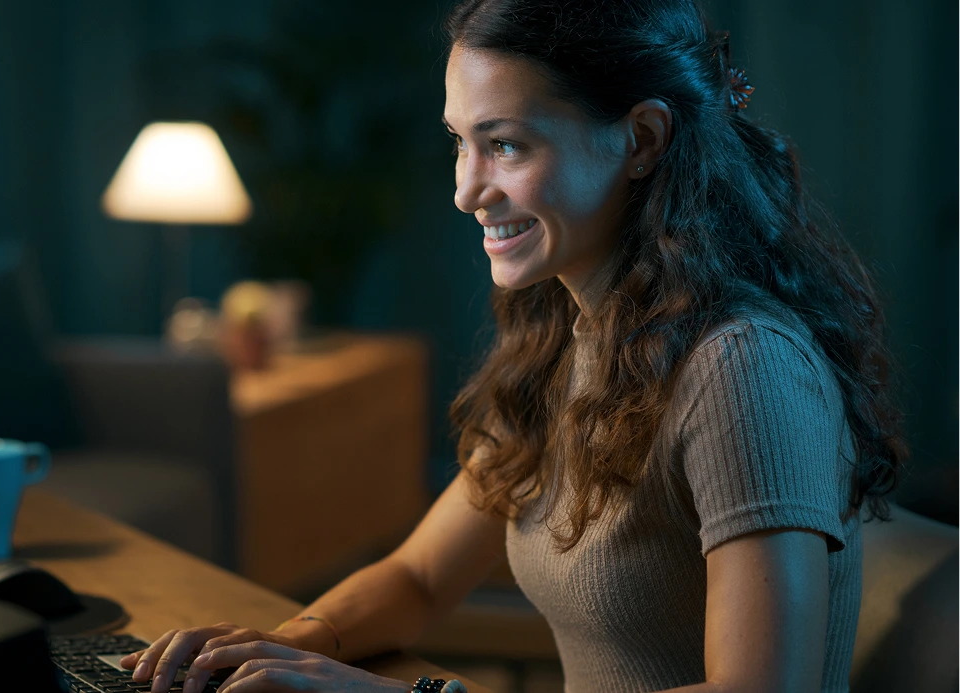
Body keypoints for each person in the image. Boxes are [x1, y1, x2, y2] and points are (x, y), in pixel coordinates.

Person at [119, 0, 906, 691]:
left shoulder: (742, 366)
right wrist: (285, 647)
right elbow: (420, 576)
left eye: (506, 146)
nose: (466, 190)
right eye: (460, 141)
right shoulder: (561, 336)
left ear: (640, 138)